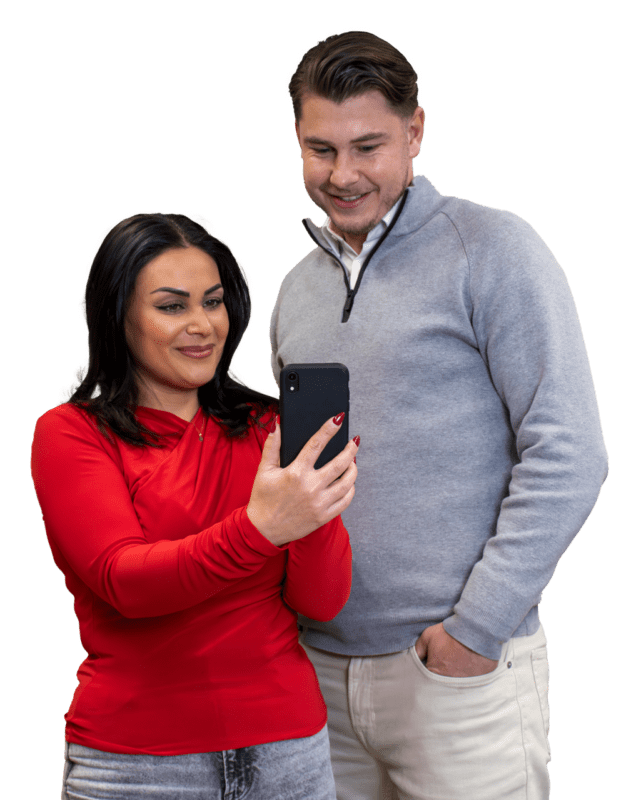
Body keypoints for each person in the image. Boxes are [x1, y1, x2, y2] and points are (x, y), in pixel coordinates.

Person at [270, 30, 609, 799]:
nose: (343, 174)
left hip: (455, 674)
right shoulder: (294, 289)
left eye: (368, 147)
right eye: (321, 149)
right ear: (298, 140)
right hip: (316, 674)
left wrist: (475, 631)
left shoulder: (493, 248)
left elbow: (569, 453)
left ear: (415, 130)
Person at [30, 212, 360, 800]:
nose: (202, 325)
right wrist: (261, 527)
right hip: (136, 767)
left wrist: (315, 509)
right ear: (117, 316)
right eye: (171, 306)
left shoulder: (267, 427)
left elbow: (321, 601)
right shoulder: (72, 434)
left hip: (287, 753)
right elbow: (127, 582)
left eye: (213, 301)